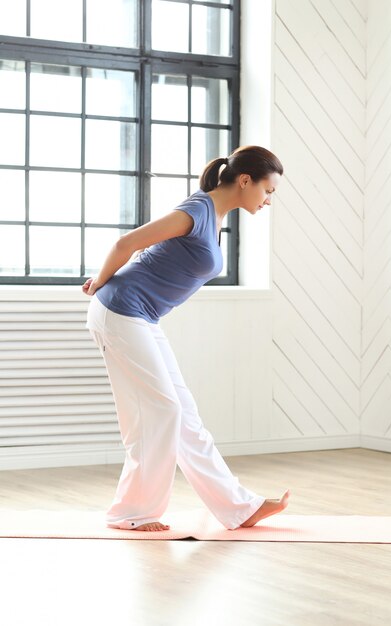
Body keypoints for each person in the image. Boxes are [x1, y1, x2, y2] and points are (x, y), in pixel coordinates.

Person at [83, 145, 289, 532]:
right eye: (268, 190)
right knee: (162, 411)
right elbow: (127, 244)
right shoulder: (197, 210)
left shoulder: (214, 216)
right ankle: (131, 513)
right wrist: (98, 282)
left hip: (140, 317)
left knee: (184, 413)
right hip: (120, 312)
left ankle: (238, 508)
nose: (268, 200)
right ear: (245, 181)